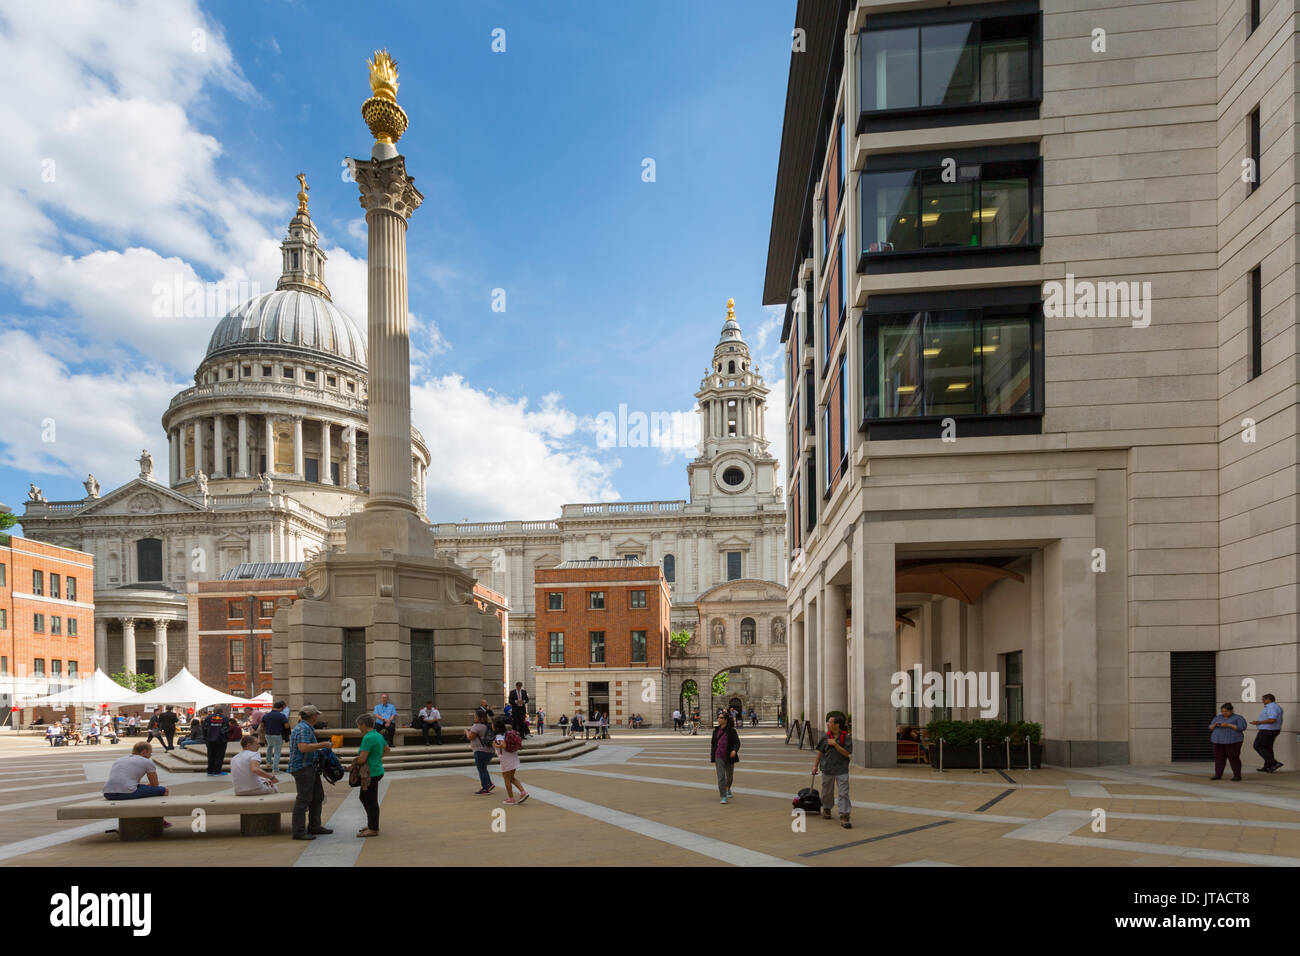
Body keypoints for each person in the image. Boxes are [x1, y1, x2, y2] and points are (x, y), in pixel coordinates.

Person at [288, 704, 334, 840]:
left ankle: (315, 826)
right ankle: (299, 832)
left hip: (309, 767)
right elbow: (303, 748)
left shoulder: (305, 727)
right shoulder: (304, 729)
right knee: (303, 799)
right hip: (303, 768)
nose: (318, 717)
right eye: (317, 714)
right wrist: (323, 745)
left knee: (317, 796)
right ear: (313, 716)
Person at [813, 714, 852, 829]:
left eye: (830, 722)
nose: (828, 724)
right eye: (828, 722)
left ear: (837, 725)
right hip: (827, 768)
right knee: (827, 791)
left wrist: (835, 744)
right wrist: (815, 766)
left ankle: (844, 815)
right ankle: (826, 808)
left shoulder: (846, 737)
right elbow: (820, 752)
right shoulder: (825, 736)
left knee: (844, 793)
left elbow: (847, 753)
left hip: (842, 769)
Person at [103, 741, 169, 805]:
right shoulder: (147, 761)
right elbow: (155, 784)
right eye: (150, 753)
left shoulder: (119, 759)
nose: (150, 755)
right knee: (164, 790)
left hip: (107, 793)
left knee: (142, 787)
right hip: (126, 792)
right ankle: (151, 812)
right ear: (144, 752)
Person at [354, 713, 388, 837]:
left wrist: (352, 764)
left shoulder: (368, 738)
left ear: (363, 724)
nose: (358, 728)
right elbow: (387, 749)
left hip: (370, 773)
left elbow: (362, 759)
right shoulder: (378, 735)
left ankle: (373, 828)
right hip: (377, 770)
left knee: (370, 800)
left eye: (358, 725)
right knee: (364, 797)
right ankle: (371, 824)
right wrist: (378, 758)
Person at [492, 715, 529, 804]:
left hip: (505, 759)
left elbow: (503, 745)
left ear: (496, 726)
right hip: (513, 756)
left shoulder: (499, 735)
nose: (491, 726)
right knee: (511, 778)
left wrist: (495, 745)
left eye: (492, 724)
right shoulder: (506, 732)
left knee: (507, 779)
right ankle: (523, 792)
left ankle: (511, 798)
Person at [1209, 702, 1248, 781]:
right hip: (1218, 741)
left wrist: (1228, 725)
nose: (1224, 713)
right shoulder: (1218, 717)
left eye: (1226, 711)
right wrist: (1214, 725)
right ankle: (1218, 774)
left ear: (1231, 711)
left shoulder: (1238, 718)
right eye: (1222, 711)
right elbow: (1210, 727)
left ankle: (1237, 775)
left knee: (1233, 758)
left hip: (1232, 741)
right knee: (1219, 758)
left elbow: (1242, 727)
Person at [710, 711, 740, 804]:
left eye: (721, 718)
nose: (719, 719)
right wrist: (712, 756)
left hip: (729, 755)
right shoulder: (715, 731)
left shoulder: (731, 731)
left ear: (726, 720)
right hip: (719, 755)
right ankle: (723, 796)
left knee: (730, 776)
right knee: (721, 777)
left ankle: (728, 788)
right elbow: (713, 744)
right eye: (718, 717)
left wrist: (734, 750)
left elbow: (737, 742)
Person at [1250, 694, 1285, 772]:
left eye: (1263, 699)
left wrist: (1258, 722)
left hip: (1268, 730)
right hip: (1272, 730)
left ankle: (1274, 763)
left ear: (1268, 699)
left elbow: (1272, 720)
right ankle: (1268, 766)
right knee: (1267, 748)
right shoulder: (1274, 706)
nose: (1262, 701)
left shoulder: (1271, 707)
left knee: (1257, 745)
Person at [466, 708, 495, 795]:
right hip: (490, 751)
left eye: (475, 716)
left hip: (480, 751)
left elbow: (470, 737)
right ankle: (489, 784)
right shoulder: (488, 725)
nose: (474, 717)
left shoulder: (476, 726)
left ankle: (485, 788)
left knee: (481, 769)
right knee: (484, 768)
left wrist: (466, 732)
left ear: (479, 717)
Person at [200, 706, 231, 776]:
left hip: (210, 739)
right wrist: (226, 738)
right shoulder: (225, 718)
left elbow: (204, 728)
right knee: (219, 755)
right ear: (222, 711)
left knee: (210, 755)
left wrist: (205, 738)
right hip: (221, 740)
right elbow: (226, 729)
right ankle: (217, 771)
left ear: (213, 711)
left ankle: (210, 771)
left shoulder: (208, 718)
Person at [261, 701, 289, 773]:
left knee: (269, 747)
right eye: (283, 708)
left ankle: (268, 763)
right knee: (277, 752)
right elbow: (286, 726)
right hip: (277, 735)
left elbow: (262, 726)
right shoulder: (282, 716)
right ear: (281, 708)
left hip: (268, 734)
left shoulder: (266, 715)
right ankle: (275, 769)